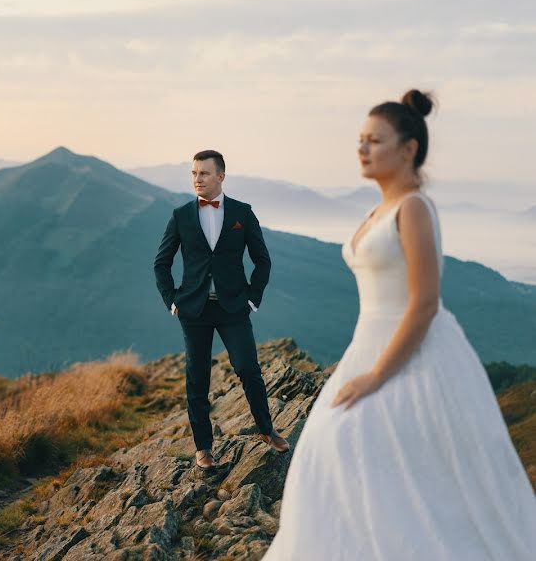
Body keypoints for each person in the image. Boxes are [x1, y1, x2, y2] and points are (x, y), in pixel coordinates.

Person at [264, 90, 536, 559]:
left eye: (375, 140)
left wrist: (377, 376)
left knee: (371, 457)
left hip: (415, 354)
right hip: (367, 346)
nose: (362, 148)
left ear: (408, 149)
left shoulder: (413, 208)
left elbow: (425, 303)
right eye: (361, 139)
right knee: (332, 455)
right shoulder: (379, 210)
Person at [154, 149, 290, 472]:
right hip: (194, 310)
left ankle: (267, 430)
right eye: (193, 174)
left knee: (248, 368)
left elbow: (262, 261)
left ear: (220, 176)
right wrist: (172, 300)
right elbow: (161, 263)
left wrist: (252, 298)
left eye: (203, 173)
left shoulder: (243, 213)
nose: (197, 179)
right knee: (197, 378)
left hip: (233, 308)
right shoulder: (181, 215)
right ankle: (203, 448)